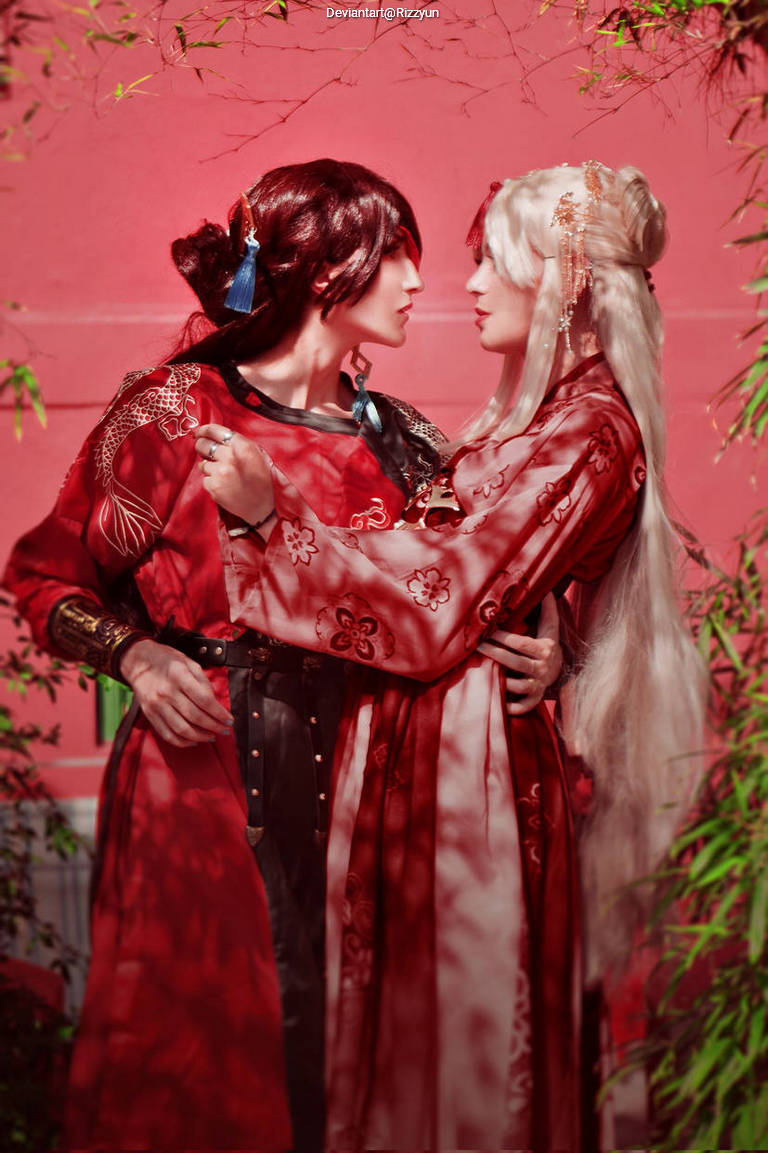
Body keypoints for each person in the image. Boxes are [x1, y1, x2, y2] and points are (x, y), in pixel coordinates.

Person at [3, 158, 558, 1152]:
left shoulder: (406, 446)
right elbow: (46, 577)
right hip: (201, 776)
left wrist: (546, 656)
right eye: (396, 255)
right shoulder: (174, 412)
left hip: (366, 792)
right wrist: (132, 655)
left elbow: (467, 590)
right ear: (325, 269)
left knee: (345, 1071)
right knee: (202, 1057)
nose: (418, 282)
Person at [195, 161, 707, 1151]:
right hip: (419, 751)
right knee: (399, 1041)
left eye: (488, 262)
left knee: (463, 1043)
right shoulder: (528, 424)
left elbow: (435, 600)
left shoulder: (588, 435)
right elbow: (450, 573)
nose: (465, 284)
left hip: (472, 779)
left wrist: (272, 517)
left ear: (559, 281)